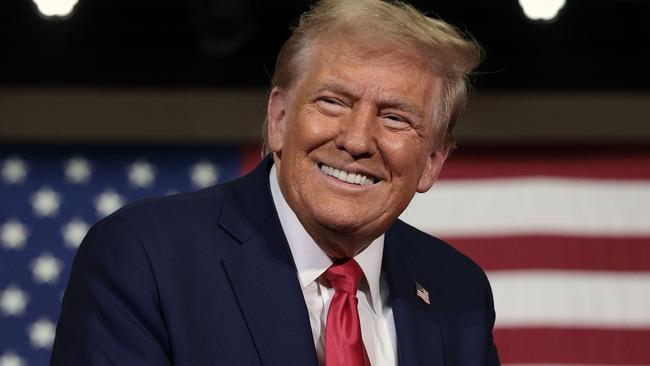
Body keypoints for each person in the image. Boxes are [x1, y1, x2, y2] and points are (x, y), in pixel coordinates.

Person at [51, 0, 499, 365]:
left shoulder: (456, 288)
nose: (357, 140)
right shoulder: (146, 256)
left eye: (395, 117)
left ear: (433, 162)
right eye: (332, 102)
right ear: (279, 119)